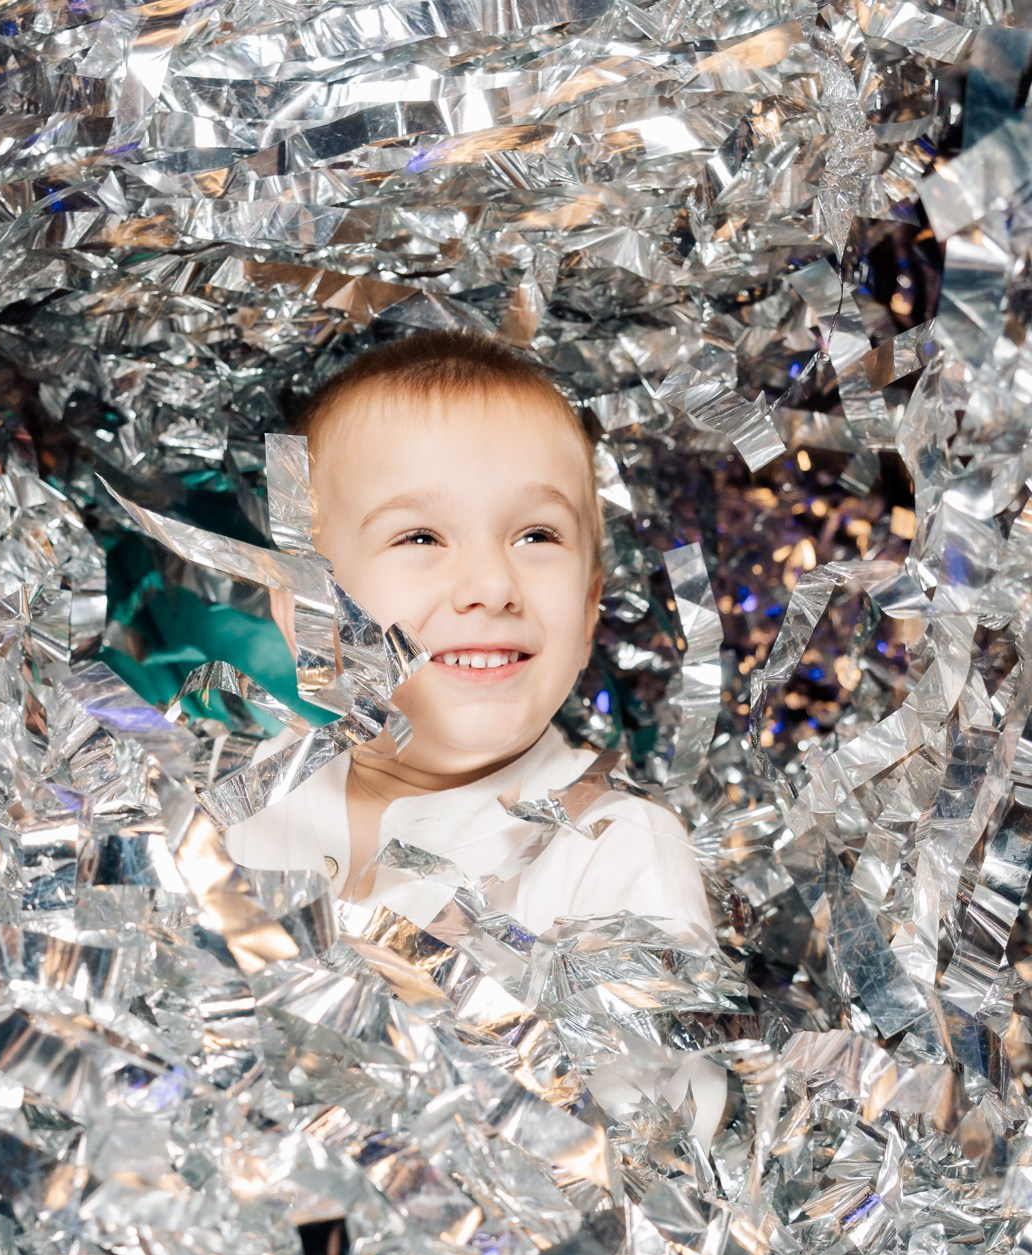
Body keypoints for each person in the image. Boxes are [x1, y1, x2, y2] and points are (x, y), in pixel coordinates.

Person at [223, 331, 725, 1144]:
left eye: (537, 537)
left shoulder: (613, 850)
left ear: (593, 603)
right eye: (420, 538)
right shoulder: (241, 810)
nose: (492, 584)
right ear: (307, 614)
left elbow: (662, 1150)